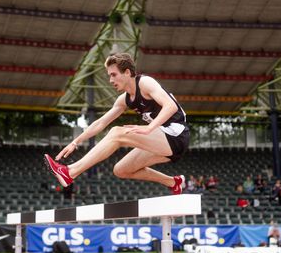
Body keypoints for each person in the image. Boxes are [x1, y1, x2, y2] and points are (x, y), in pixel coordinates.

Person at [44, 53, 188, 194]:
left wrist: (149, 128)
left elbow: (171, 106)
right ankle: (173, 182)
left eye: (113, 75)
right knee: (121, 170)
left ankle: (70, 172)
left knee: (116, 133)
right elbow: (101, 122)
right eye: (109, 76)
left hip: (176, 135)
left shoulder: (145, 82)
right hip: (162, 141)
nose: (110, 80)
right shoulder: (123, 100)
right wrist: (76, 142)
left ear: (127, 72)